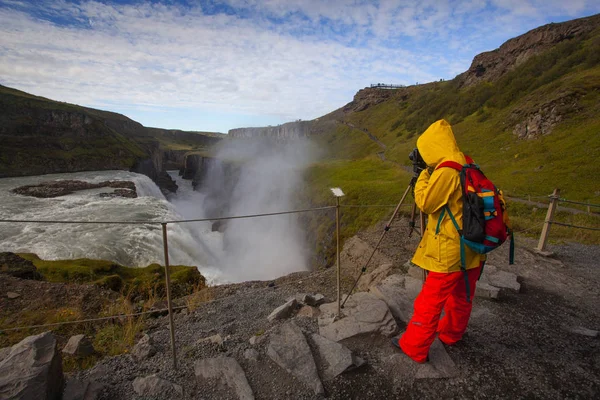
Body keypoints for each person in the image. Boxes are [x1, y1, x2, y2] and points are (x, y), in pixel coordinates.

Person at [391, 119, 486, 363]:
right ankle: (452, 334)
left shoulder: (446, 171)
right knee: (462, 296)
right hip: (474, 246)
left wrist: (422, 176)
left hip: (450, 251)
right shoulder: (468, 162)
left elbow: (426, 203)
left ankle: (414, 347)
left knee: (429, 302)